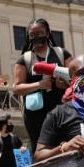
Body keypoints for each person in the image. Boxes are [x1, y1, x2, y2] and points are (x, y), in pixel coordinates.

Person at [12, 18, 73, 152]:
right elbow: (16, 88)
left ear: (47, 33)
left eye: (40, 33)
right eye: (32, 35)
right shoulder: (25, 59)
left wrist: (64, 84)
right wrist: (40, 84)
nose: (36, 37)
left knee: (66, 147)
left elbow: (75, 78)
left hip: (62, 111)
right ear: (28, 36)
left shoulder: (62, 54)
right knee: (41, 151)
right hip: (36, 115)